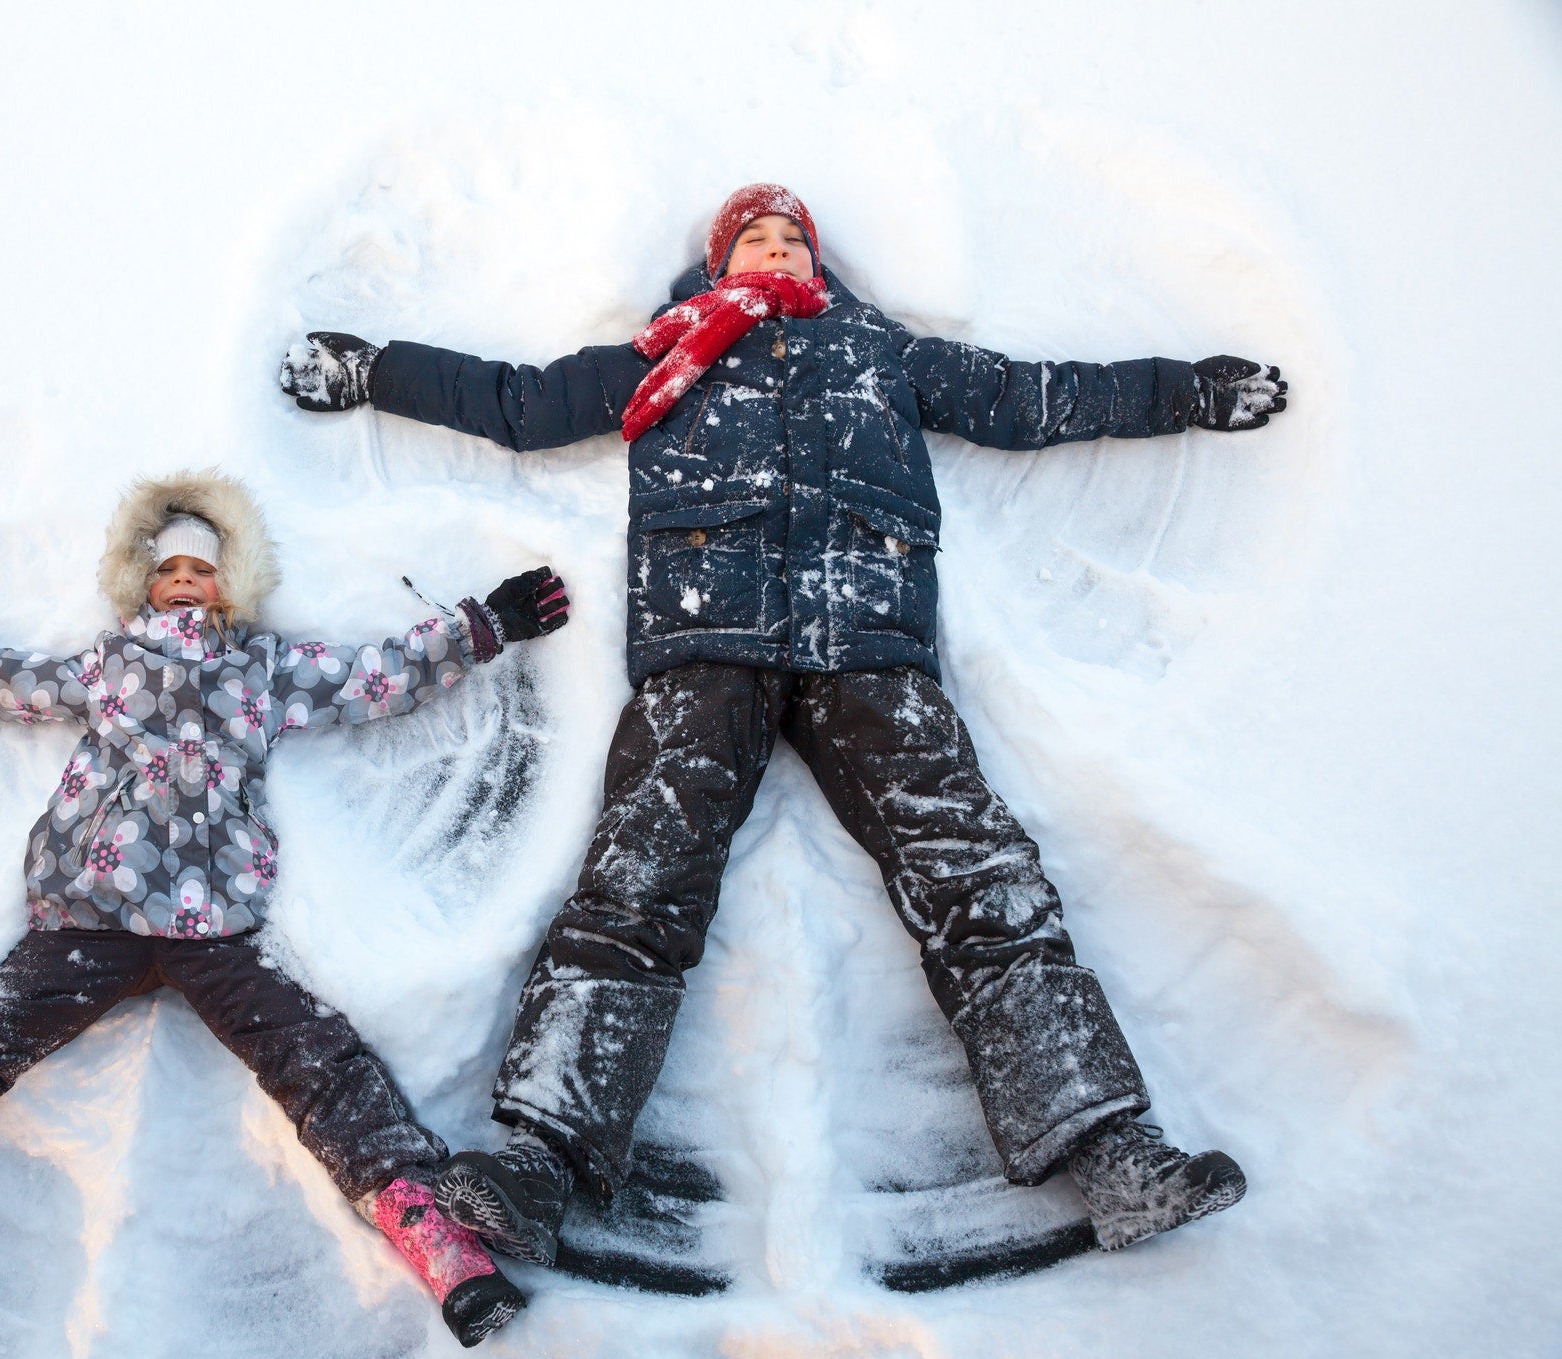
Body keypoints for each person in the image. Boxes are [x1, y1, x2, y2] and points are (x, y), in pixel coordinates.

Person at [279, 183, 1286, 1260]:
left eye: (792, 239)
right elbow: (521, 403)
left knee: (978, 879)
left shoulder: (880, 351)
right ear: (719, 266)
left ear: (820, 263)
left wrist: (1186, 392)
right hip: (705, 645)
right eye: (754, 239)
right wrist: (373, 370)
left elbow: (1032, 397)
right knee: (636, 884)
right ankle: (538, 1164)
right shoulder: (665, 350)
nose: (776, 251)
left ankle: (1110, 1154)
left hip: (869, 648)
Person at [0, 469, 571, 1347]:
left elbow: (376, 674)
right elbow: (4, 682)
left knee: (320, 1066)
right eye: (167, 571)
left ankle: (435, 1238)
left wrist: (482, 626)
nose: (184, 582)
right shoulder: (110, 665)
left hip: (214, 931)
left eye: (203, 570)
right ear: (138, 584)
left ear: (236, 581)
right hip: (90, 917)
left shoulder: (263, 668)